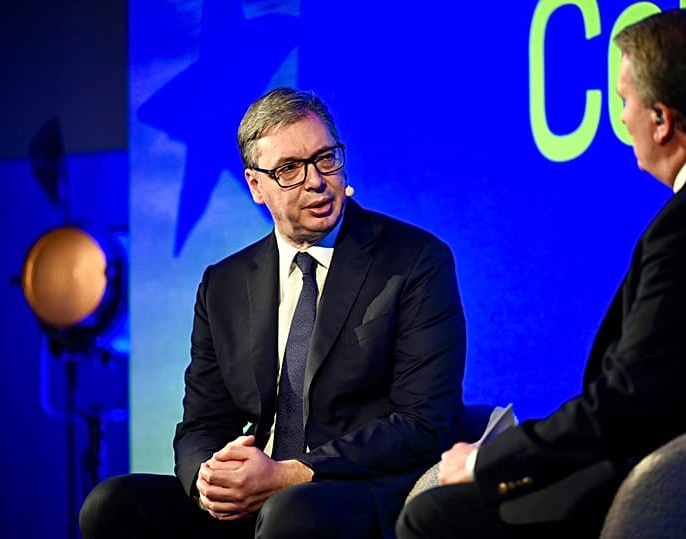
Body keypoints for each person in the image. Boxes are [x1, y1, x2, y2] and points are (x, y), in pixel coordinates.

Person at [397, 8, 686, 538]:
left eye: (624, 100)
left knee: (432, 515)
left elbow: (627, 401)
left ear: (662, 120)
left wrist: (487, 461)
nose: (624, 118)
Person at [80, 87, 466, 539]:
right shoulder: (224, 283)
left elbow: (423, 422)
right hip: (256, 494)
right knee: (112, 504)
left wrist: (289, 474)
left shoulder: (414, 261)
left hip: (353, 488)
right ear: (255, 185)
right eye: (289, 169)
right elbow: (203, 423)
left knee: (289, 513)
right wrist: (209, 482)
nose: (316, 180)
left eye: (326, 158)